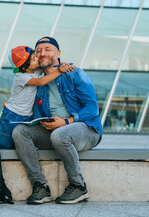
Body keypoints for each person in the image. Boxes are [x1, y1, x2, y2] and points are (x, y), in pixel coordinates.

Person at [12, 37, 103, 205]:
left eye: (47, 49)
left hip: (87, 130)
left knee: (60, 134)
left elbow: (92, 109)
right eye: (38, 51)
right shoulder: (38, 81)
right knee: (20, 131)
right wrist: (43, 123)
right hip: (56, 131)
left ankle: (78, 186)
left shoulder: (74, 73)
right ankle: (40, 186)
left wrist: (67, 122)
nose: (42, 53)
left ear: (58, 53)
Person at [0, 46, 73, 149]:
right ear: (24, 68)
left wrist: (62, 65)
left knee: (17, 141)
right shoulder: (21, 77)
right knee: (4, 144)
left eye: (34, 56)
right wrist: (59, 71)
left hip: (27, 116)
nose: (37, 58)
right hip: (13, 115)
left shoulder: (34, 71)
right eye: (33, 59)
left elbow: (50, 67)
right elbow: (40, 82)